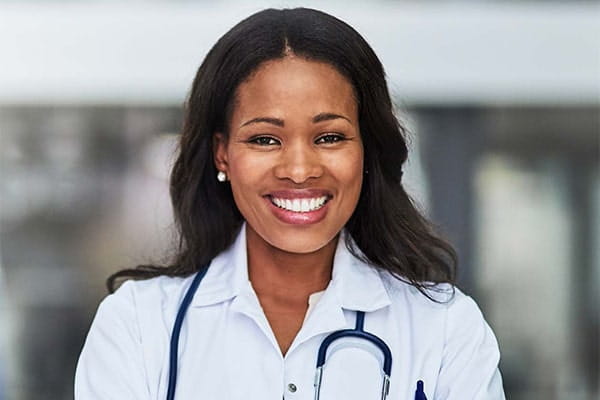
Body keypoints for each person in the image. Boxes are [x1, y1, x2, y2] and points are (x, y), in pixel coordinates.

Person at [75, 7, 505, 400]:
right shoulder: (137, 326)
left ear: (366, 149)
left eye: (329, 137)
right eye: (265, 139)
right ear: (222, 152)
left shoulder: (446, 329)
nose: (299, 170)